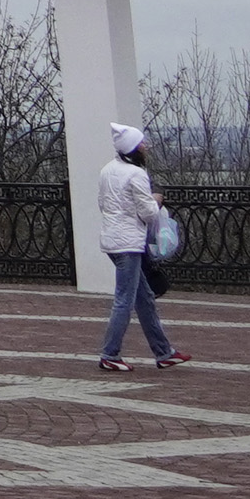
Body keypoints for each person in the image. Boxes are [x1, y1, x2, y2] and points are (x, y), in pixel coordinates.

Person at [93, 121, 186, 375]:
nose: (146, 146)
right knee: (124, 299)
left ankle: (163, 351)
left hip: (112, 241)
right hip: (129, 244)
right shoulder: (136, 174)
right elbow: (148, 213)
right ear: (133, 149)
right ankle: (110, 354)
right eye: (142, 143)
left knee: (144, 297)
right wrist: (157, 201)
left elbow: (103, 203)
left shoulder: (107, 170)